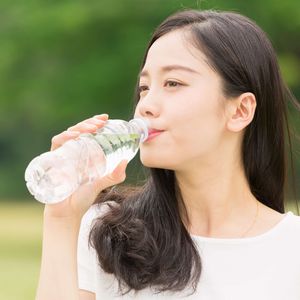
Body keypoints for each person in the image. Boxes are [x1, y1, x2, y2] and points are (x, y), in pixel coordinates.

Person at [35, 9, 300, 300]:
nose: (145, 105)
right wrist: (61, 220)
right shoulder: (107, 234)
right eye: (144, 87)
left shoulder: (291, 251)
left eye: (173, 83)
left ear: (240, 110)